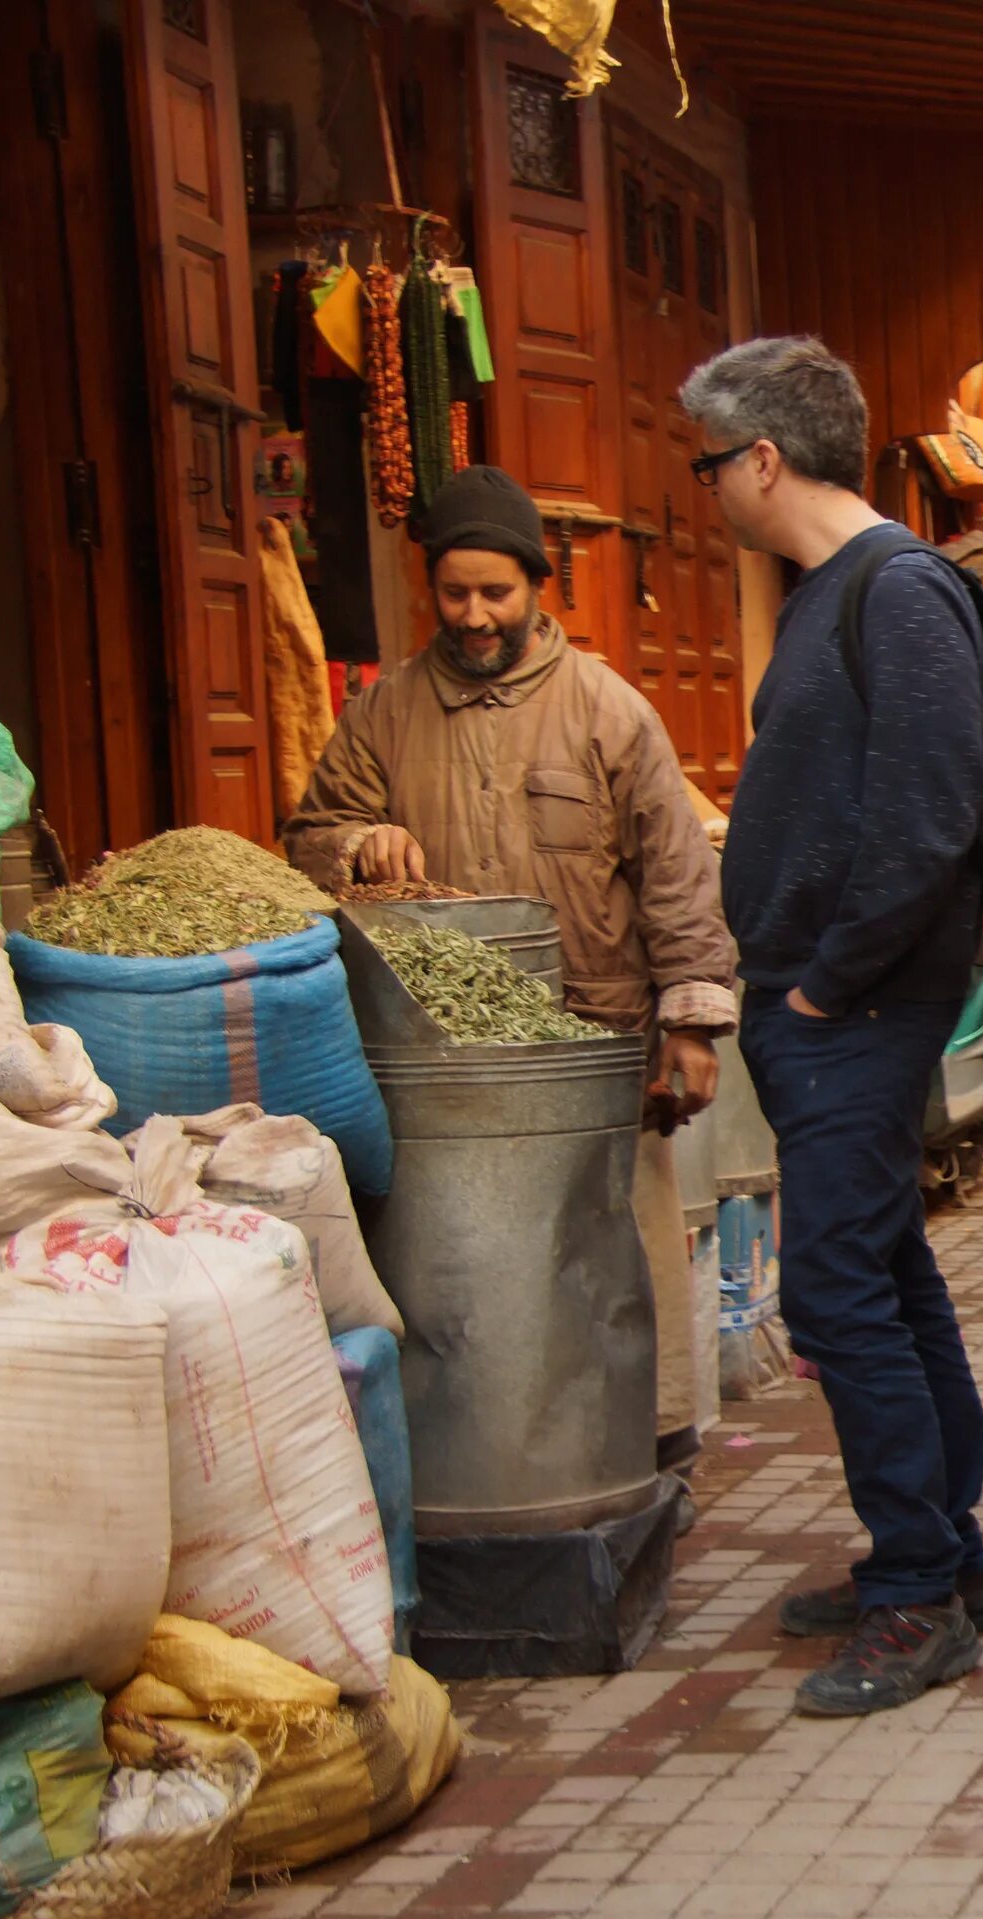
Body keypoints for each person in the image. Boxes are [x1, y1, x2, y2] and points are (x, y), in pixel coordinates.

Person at [282, 465, 734, 1475]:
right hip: (438, 1059)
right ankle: (491, 1466)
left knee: (620, 1251)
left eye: (497, 592)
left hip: (595, 1037)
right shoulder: (386, 714)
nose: (477, 615)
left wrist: (693, 1024)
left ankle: (655, 1450)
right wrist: (360, 843)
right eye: (456, 594)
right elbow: (309, 834)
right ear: (429, 591)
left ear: (538, 587)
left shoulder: (608, 711)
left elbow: (674, 874)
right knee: (471, 1275)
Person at [680, 335, 983, 1717]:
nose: (707, 495)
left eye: (708, 465)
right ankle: (936, 1560)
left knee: (836, 1293)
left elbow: (931, 814)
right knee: (887, 1276)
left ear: (761, 459)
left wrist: (824, 983)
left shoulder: (900, 590)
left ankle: (922, 1597)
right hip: (830, 1001)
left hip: (856, 1004)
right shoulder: (830, 594)